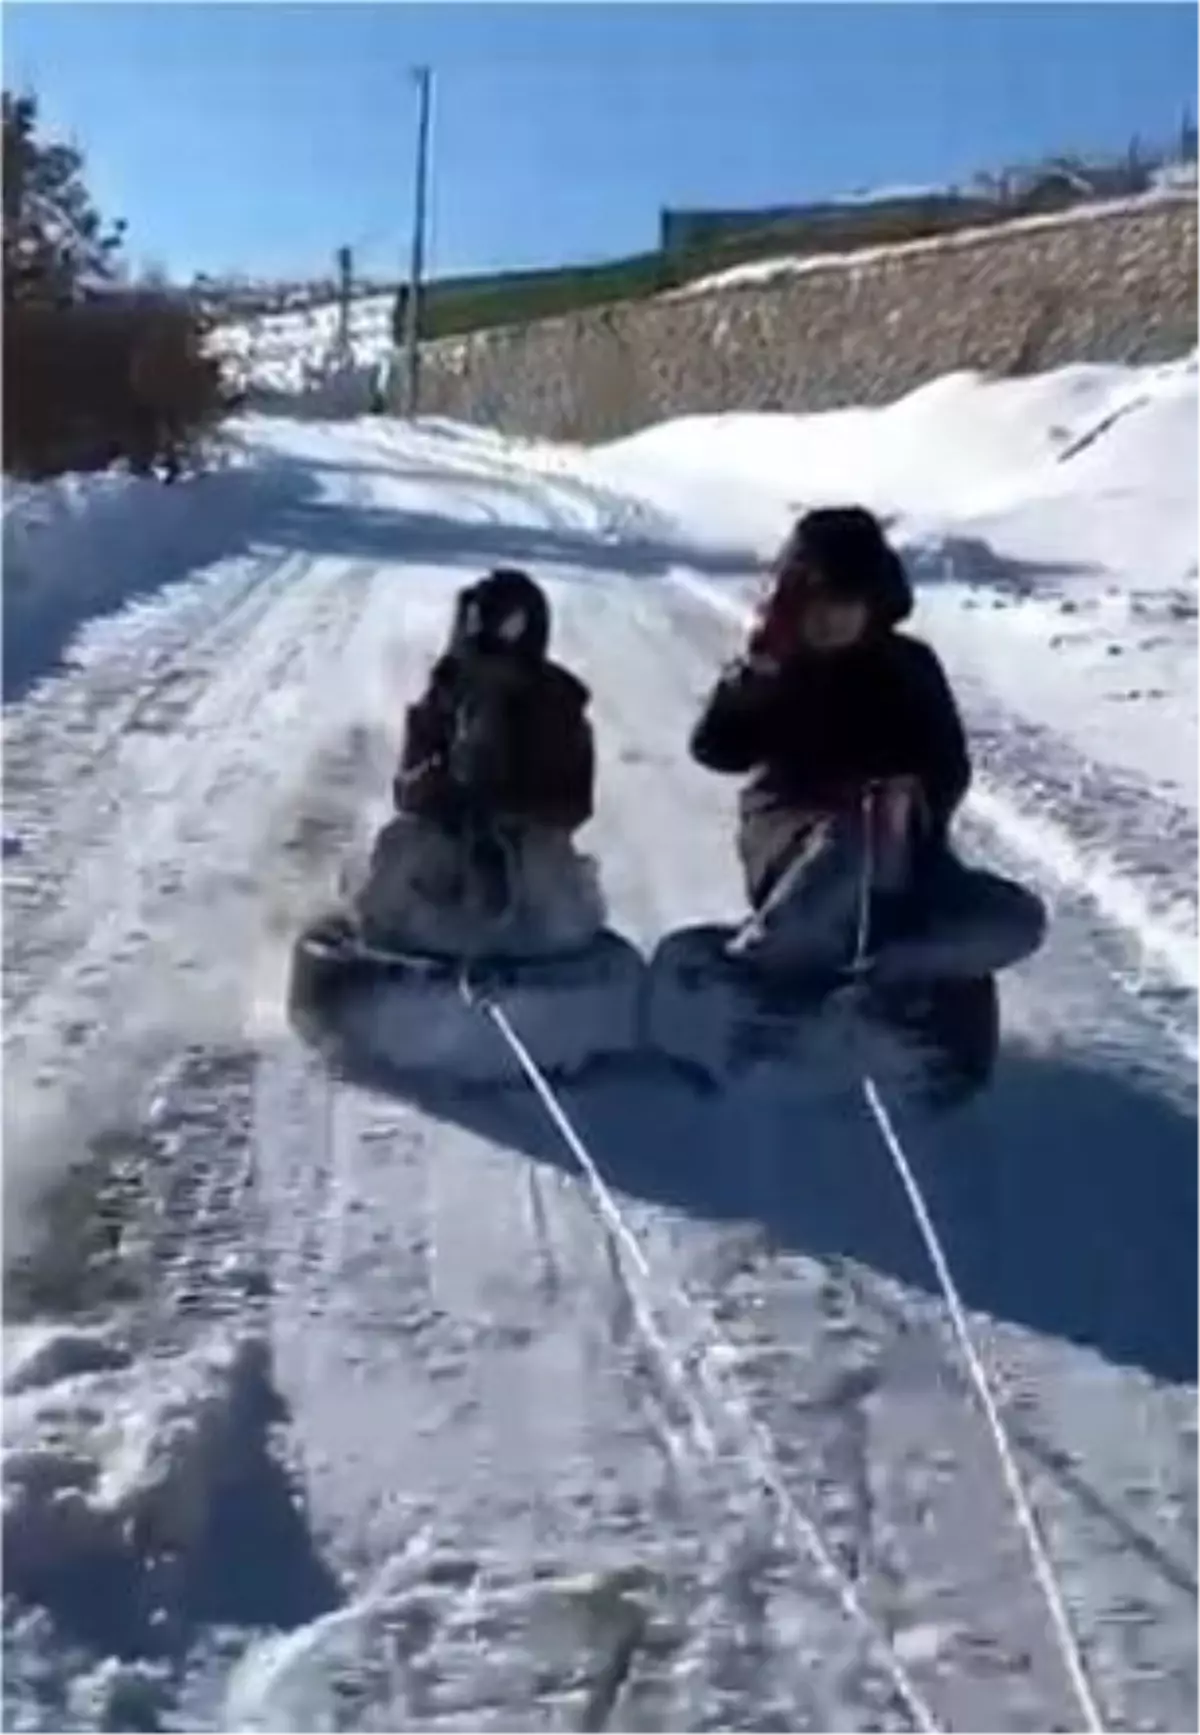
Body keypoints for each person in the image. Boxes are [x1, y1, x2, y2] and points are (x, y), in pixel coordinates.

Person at [689, 505, 975, 974]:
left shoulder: (910, 665)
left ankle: (891, 972)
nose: (826, 620)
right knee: (849, 841)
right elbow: (715, 749)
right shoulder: (776, 667)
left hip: (898, 850)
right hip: (791, 841)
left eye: (842, 605)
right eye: (813, 604)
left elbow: (949, 766)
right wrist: (754, 681)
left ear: (871, 604)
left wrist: (914, 796)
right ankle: (756, 965)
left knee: (1014, 916)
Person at [354, 568, 602, 954]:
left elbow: (577, 804)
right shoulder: (443, 697)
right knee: (400, 850)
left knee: (560, 907)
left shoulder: (560, 703)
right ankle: (386, 956)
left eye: (503, 627)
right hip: (448, 831)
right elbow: (407, 790)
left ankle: (547, 962)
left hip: (526, 839)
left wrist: (520, 806)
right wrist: (438, 781)